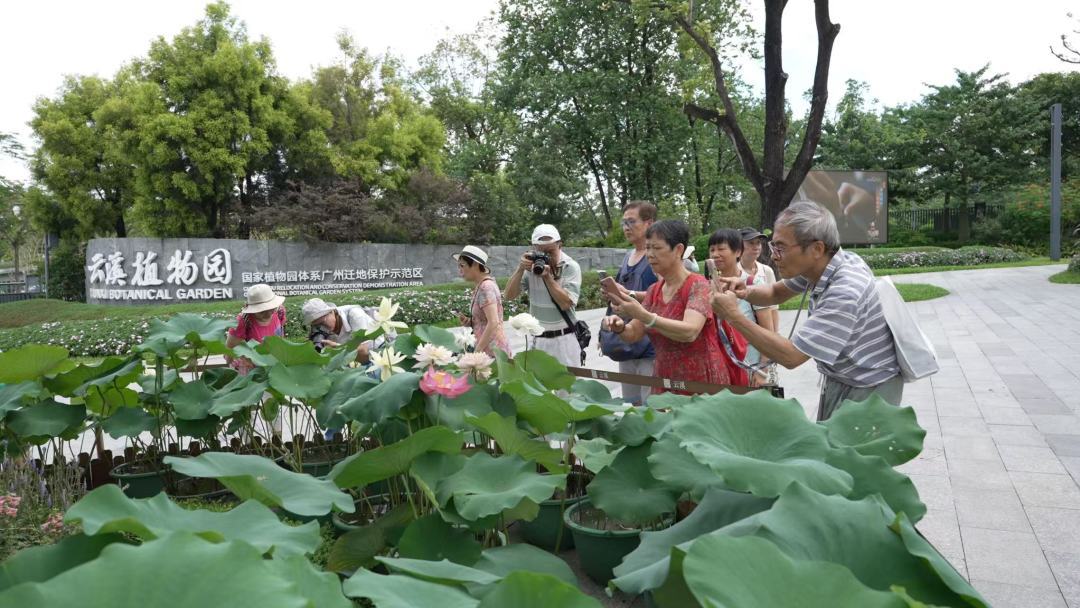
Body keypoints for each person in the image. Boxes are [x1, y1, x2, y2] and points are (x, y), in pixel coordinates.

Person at [710, 201, 902, 421]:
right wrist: (745, 291)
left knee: (849, 454)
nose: (773, 256)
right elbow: (775, 292)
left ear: (817, 248)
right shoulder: (828, 262)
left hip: (869, 388)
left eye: (780, 248)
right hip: (847, 378)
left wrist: (732, 316)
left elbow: (792, 356)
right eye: (773, 246)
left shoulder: (845, 290)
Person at [602, 219, 730, 395]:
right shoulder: (654, 290)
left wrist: (646, 316)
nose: (650, 254)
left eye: (657, 248)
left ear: (678, 250)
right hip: (665, 379)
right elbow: (634, 333)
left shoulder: (698, 285)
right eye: (647, 248)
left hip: (700, 383)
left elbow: (689, 332)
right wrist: (619, 326)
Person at [599, 201, 659, 406]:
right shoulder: (628, 257)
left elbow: (665, 294)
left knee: (652, 409)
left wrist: (630, 296)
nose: (626, 227)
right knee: (631, 405)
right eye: (624, 222)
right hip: (626, 341)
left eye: (632, 222)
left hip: (651, 345)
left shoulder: (658, 258)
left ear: (649, 223)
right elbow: (620, 293)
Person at [504, 224, 583, 367]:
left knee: (566, 388)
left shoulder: (570, 266)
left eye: (550, 252)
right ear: (534, 248)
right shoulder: (530, 268)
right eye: (541, 252)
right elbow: (508, 296)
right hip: (538, 339)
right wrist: (520, 268)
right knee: (538, 388)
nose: (546, 257)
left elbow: (566, 303)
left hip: (564, 339)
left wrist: (547, 278)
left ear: (560, 245)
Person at [706, 229, 775, 386]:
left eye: (721, 249)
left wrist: (762, 371)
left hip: (750, 366)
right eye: (712, 250)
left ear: (737, 251)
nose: (715, 254)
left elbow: (768, 331)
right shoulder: (707, 287)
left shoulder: (752, 285)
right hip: (720, 367)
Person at [454, 245, 511, 357]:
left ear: (475, 264)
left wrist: (478, 350)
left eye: (462, 265)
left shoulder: (486, 287)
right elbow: (486, 320)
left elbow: (493, 322)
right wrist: (470, 321)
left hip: (492, 351)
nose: (460, 270)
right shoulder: (482, 285)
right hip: (487, 349)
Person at [301, 298, 388, 363]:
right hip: (352, 361)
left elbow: (363, 352)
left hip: (380, 355)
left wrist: (338, 348)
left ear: (331, 312)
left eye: (322, 322)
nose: (321, 328)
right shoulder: (324, 329)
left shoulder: (355, 315)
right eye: (316, 325)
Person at [225, 283, 287, 375]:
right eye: (262, 311)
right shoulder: (243, 321)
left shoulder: (279, 311)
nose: (268, 313)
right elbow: (229, 349)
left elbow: (281, 335)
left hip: (274, 361)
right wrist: (231, 369)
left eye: (271, 308)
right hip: (250, 367)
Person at [739, 227, 780, 331]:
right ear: (739, 246)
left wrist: (775, 335)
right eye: (751, 243)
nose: (756, 246)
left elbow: (774, 306)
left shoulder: (767, 271)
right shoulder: (734, 273)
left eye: (758, 243)